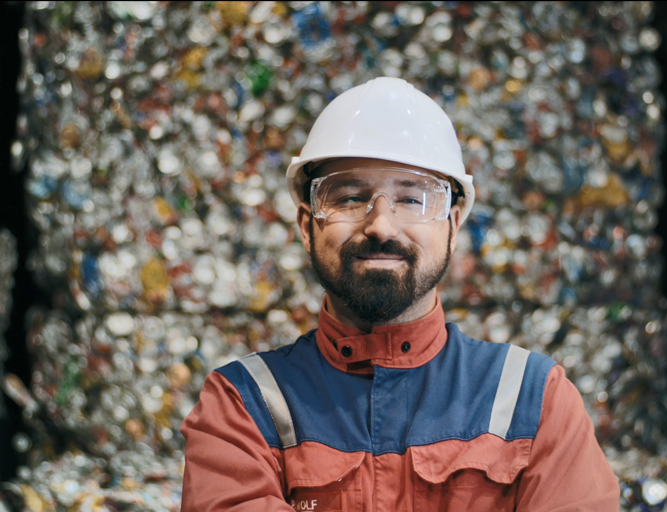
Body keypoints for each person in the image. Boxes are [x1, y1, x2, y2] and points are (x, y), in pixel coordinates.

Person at [180, 77, 619, 511]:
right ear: (306, 224)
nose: (382, 225)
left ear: (453, 223)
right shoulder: (242, 405)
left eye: (413, 199)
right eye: (350, 197)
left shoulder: (534, 398)